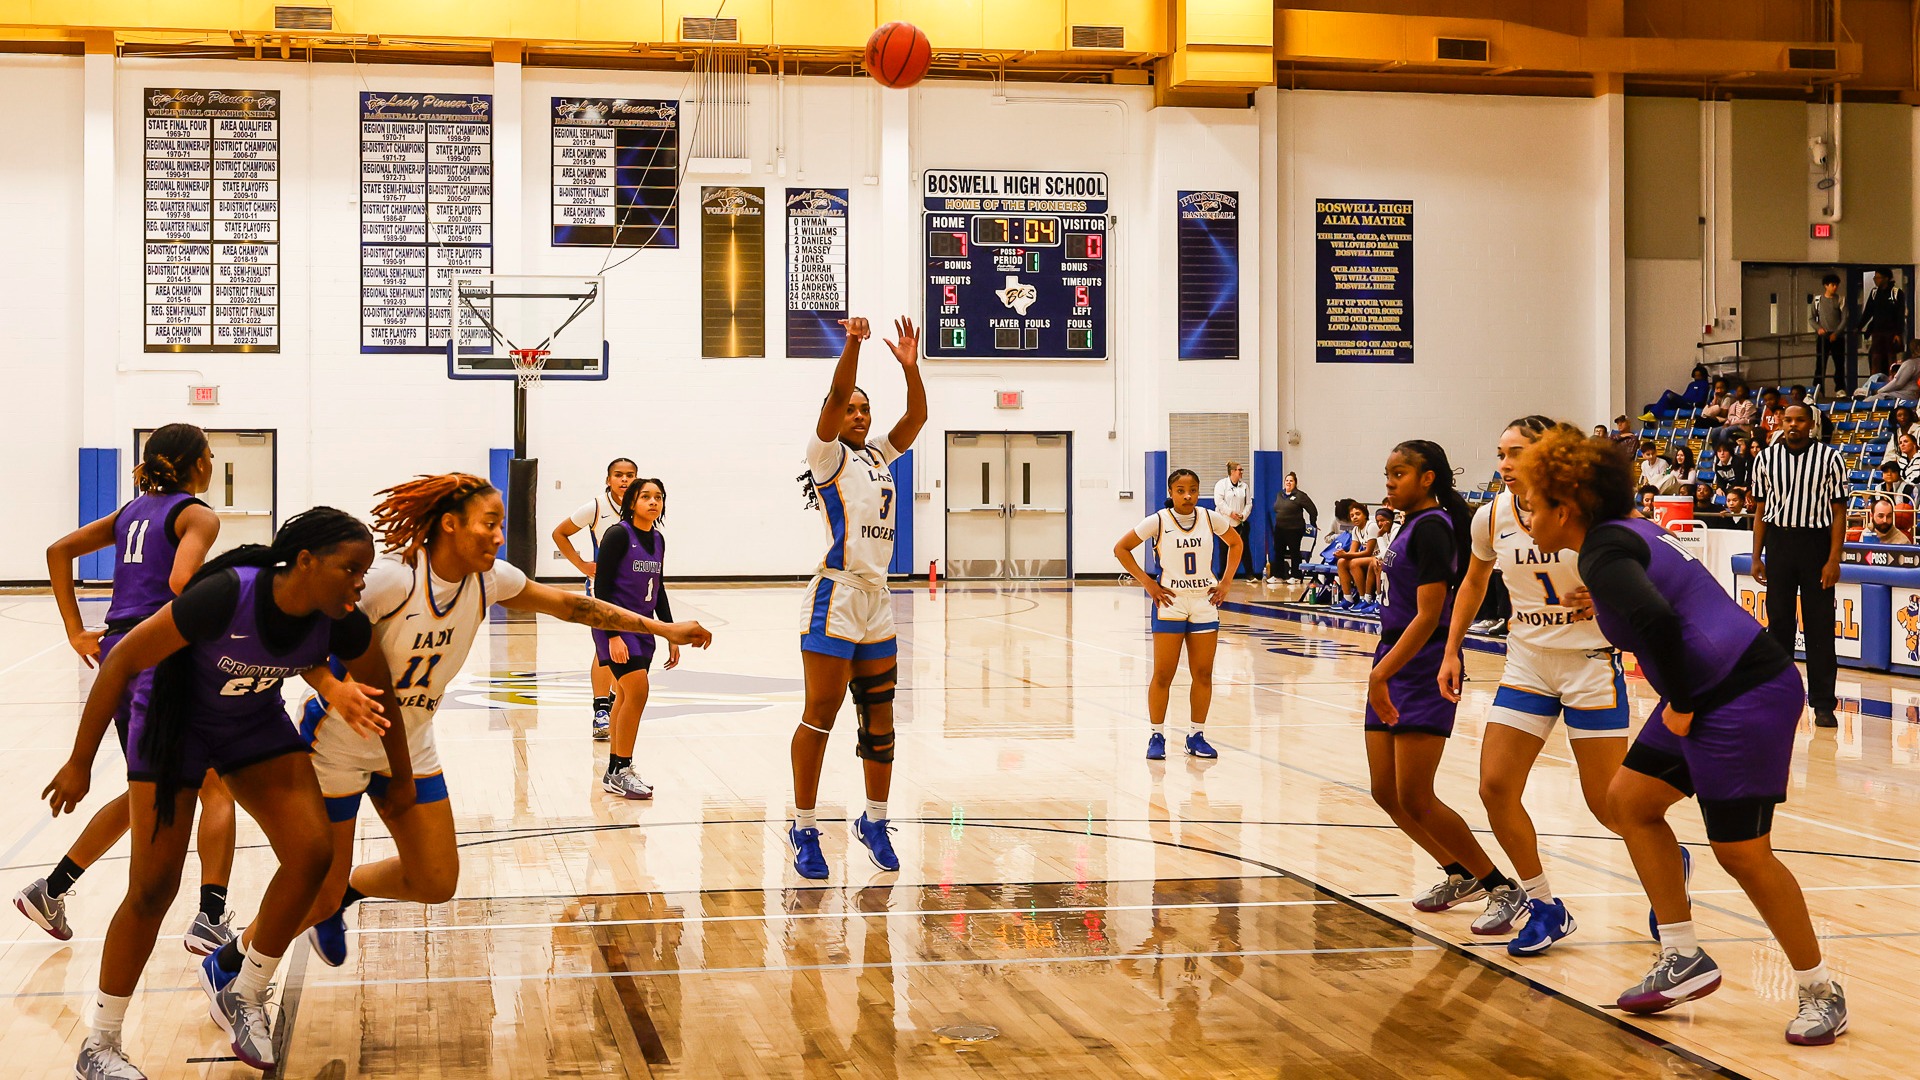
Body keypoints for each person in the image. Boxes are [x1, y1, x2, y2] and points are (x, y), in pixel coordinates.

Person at [277, 473, 710, 973]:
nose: (501, 536)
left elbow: (573, 605)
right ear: (449, 525)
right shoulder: (392, 579)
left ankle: (346, 891)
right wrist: (332, 688)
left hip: (412, 741)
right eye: (490, 524)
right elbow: (301, 623)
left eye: (502, 525)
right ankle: (238, 964)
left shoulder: (492, 578)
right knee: (316, 890)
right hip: (339, 743)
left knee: (437, 881)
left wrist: (661, 626)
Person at [1516, 426, 1848, 1047]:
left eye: (1532, 502)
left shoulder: (1604, 553)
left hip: (1743, 694)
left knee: (1742, 853)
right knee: (1630, 803)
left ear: (1567, 508)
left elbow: (1657, 619)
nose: (1525, 514)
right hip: (1713, 686)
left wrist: (1683, 705)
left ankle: (1821, 989)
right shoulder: (1624, 537)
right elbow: (1660, 597)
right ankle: (1683, 955)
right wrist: (1610, 604)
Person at [44, 508, 389, 1077]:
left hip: (250, 721)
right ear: (305, 562)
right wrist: (80, 762)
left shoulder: (338, 618)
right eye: (351, 568)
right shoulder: (227, 593)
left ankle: (244, 989)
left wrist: (337, 689)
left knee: (312, 853)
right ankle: (99, 1044)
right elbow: (123, 659)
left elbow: (311, 659)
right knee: (153, 888)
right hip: (171, 718)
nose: (360, 581)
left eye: (365, 571)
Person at [16, 425, 240, 957]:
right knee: (216, 788)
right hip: (160, 655)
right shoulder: (197, 515)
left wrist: (76, 629)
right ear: (195, 464)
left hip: (118, 657)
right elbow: (184, 583)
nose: (212, 462)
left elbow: (57, 550)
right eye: (209, 454)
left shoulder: (131, 513)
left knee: (153, 787)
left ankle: (51, 890)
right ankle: (211, 916)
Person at [1439, 416, 1628, 955]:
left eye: (1516, 452)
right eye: (1500, 453)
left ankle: (1665, 867)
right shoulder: (1491, 515)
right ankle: (1544, 904)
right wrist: (1453, 649)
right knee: (1495, 787)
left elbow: (1644, 562)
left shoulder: (1591, 509)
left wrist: (1611, 596)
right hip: (1527, 662)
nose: (1503, 464)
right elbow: (1474, 582)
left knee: (1608, 805)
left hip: (1589, 661)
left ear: (1548, 456)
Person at [789, 316, 926, 880]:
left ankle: (874, 819)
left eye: (866, 410)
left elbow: (916, 418)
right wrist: (853, 344)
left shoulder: (876, 456)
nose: (861, 415)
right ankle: (803, 825)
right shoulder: (828, 456)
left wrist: (911, 369)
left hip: (878, 600)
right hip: (836, 595)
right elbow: (839, 392)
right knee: (821, 715)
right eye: (853, 409)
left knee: (880, 718)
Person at [1363, 440, 1517, 918]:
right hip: (1391, 655)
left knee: (1415, 794)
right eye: (1387, 472)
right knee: (1385, 792)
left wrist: (1381, 675)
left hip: (1421, 665)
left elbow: (1429, 616)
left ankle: (1501, 886)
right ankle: (1458, 873)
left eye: (1399, 473)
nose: (1389, 481)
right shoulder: (1411, 526)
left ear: (1427, 478)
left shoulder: (1434, 528)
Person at [1116, 468, 1240, 761]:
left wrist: (1225, 582)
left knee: (1203, 674)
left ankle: (1196, 735)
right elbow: (1121, 549)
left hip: (1204, 602)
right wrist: (1148, 583)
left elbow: (1236, 543)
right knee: (1163, 674)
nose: (1188, 496)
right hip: (1170, 602)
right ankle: (1156, 735)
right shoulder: (1158, 520)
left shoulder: (1211, 518)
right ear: (1171, 492)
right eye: (1181, 490)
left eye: (1193, 490)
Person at [591, 477, 692, 799]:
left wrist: (671, 632)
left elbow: (657, 587)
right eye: (645, 496)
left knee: (626, 696)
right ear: (631, 502)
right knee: (637, 692)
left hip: (645, 628)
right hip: (617, 626)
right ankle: (621, 768)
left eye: (659, 497)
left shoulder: (658, 539)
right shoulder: (618, 534)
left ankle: (615, 772)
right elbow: (602, 588)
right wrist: (612, 635)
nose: (653, 502)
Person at [1751, 403, 1850, 729]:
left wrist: (1834, 558)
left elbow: (1838, 512)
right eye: (1788, 420)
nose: (1793, 425)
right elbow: (1761, 510)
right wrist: (1756, 556)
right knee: (1778, 626)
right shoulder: (1765, 458)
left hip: (1816, 545)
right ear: (1781, 422)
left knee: (1820, 629)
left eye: (1800, 420)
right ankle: (1776, 697)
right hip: (1779, 544)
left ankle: (1823, 705)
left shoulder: (1830, 458)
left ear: (1810, 424)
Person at [551, 457, 638, 739]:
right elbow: (559, 533)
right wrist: (582, 565)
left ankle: (614, 703)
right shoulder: (596, 507)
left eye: (629, 475)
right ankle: (601, 710)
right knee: (605, 649)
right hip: (602, 588)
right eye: (618, 475)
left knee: (624, 650)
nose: (624, 480)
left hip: (632, 590)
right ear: (608, 479)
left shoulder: (642, 506)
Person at [1268, 471, 1317, 583]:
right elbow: (1276, 508)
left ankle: (1296, 576)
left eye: (1291, 481)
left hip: (1294, 529)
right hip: (1280, 528)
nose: (1288, 482)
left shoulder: (1300, 496)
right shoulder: (1280, 494)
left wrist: (1313, 522)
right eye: (1287, 480)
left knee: (1295, 552)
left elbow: (1312, 510)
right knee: (1278, 551)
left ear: (1295, 483)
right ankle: (1278, 575)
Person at [1332, 502, 1380, 612]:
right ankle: (1348, 598)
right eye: (1352, 515)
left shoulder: (1371, 526)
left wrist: (1346, 554)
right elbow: (1352, 552)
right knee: (1342, 562)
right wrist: (1342, 554)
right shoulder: (1356, 530)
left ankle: (1364, 598)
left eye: (1358, 514)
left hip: (1377, 557)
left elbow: (1368, 552)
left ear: (1365, 515)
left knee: (1354, 563)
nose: (1355, 517)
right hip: (1368, 558)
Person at [1861, 268, 1905, 379]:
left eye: (1878, 277)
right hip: (1877, 331)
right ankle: (1875, 383)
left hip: (1891, 332)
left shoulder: (1896, 293)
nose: (1876, 280)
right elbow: (1868, 311)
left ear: (1886, 278)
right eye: (1875, 277)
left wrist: (1898, 333)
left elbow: (1900, 315)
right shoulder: (1874, 293)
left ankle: (1892, 381)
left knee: (1891, 359)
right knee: (1876, 358)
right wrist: (1859, 326)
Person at [1213, 461, 1253, 578]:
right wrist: (1230, 513)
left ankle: (1249, 574)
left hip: (1240, 522)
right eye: (1239, 470)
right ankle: (1224, 576)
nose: (1241, 472)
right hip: (1225, 522)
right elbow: (1219, 502)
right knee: (1224, 550)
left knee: (1244, 548)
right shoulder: (1221, 484)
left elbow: (1249, 503)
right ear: (1232, 472)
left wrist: (1243, 515)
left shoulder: (1244, 486)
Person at [1811, 273, 1849, 396]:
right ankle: (1818, 388)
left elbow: (1844, 318)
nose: (1835, 287)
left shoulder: (1840, 299)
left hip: (1837, 336)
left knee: (1839, 363)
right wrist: (1818, 328)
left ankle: (1840, 388)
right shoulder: (1817, 300)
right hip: (1823, 335)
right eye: (1832, 285)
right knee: (1820, 363)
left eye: (1837, 285)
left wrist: (1837, 333)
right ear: (1826, 286)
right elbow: (1811, 318)